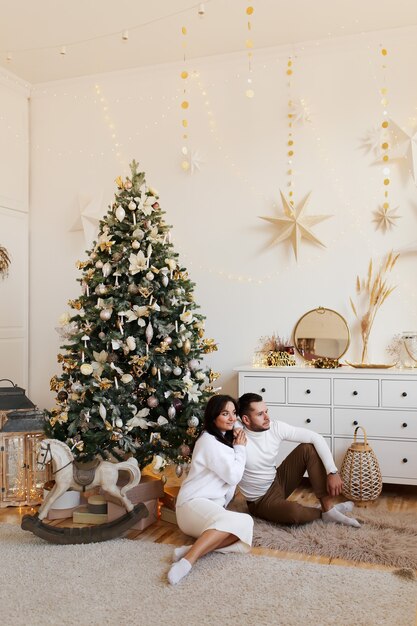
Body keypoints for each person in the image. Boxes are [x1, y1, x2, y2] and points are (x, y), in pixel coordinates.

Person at [237, 393, 360, 527]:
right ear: (246, 420)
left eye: (266, 411)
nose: (267, 417)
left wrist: (332, 472)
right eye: (260, 414)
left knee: (308, 448)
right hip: (260, 500)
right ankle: (327, 513)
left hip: (277, 480)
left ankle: (328, 508)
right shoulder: (237, 436)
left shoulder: (275, 427)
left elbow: (316, 437)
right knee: (294, 513)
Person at [167, 394, 254, 585]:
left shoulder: (222, 436)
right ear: (213, 416)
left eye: (234, 413)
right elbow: (233, 476)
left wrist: (236, 428)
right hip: (191, 505)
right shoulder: (209, 441)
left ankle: (191, 549)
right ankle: (188, 561)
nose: (232, 418)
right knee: (231, 521)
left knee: (246, 523)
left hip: (213, 508)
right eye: (225, 414)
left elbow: (236, 426)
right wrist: (240, 448)